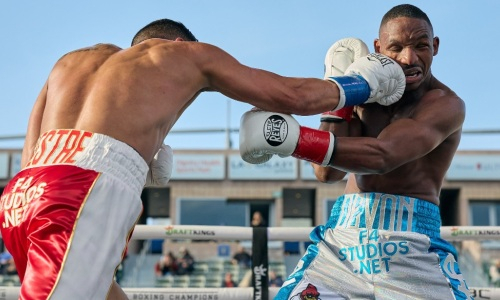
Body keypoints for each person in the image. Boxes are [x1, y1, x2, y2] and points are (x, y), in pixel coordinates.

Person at [0, 17, 404, 299]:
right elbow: (291, 96)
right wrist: (359, 84)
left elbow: (34, 157)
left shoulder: (71, 60)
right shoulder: (182, 55)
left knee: (102, 290)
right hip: (82, 195)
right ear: (181, 44)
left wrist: (131, 166)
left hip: (22, 198)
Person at [240, 4, 472, 300]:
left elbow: (382, 156)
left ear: (435, 46)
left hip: (414, 244)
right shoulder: (364, 94)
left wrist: (290, 138)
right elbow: (327, 172)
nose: (409, 58)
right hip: (343, 243)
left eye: (421, 46)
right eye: (396, 47)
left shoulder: (446, 105)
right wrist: (341, 92)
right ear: (378, 48)